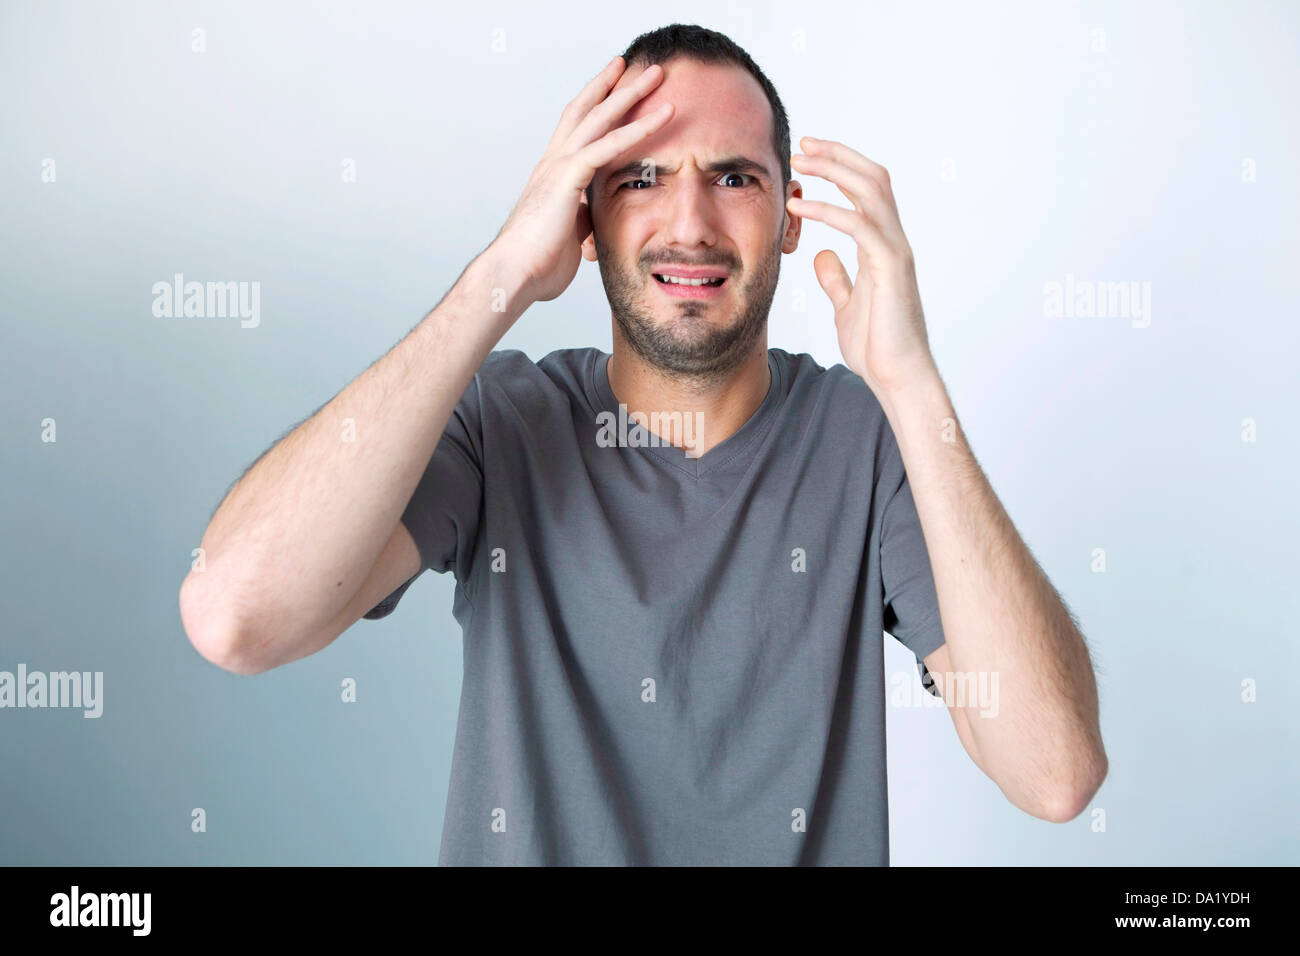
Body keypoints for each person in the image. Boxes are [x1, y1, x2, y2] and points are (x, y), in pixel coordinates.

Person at [179, 23, 1107, 865]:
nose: (691, 223)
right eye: (641, 178)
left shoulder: (864, 439)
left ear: (789, 215)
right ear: (586, 220)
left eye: (734, 177)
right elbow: (236, 619)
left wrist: (914, 384)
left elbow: (1054, 776)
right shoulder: (503, 423)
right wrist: (499, 275)